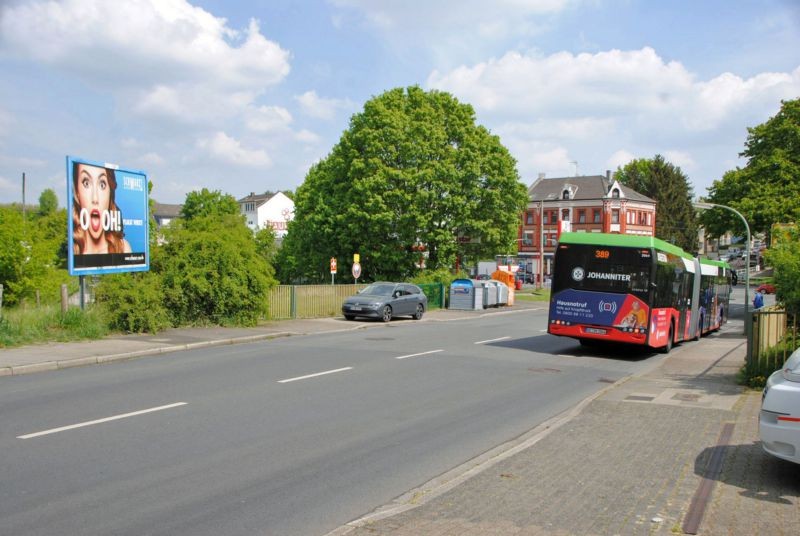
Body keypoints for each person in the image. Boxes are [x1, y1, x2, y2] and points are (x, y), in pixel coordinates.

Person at [72, 162, 131, 255]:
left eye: (102, 184)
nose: (95, 198)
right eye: (86, 183)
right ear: (77, 193)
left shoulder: (123, 248)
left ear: (110, 193)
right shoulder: (74, 250)